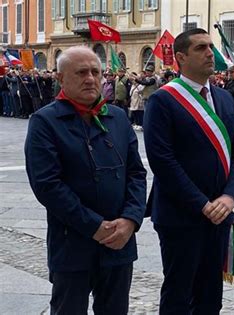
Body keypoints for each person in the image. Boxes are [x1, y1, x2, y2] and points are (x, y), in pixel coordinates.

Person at [24, 46, 147, 314]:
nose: (90, 78)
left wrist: (131, 220)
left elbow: (137, 174)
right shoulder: (45, 122)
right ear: (60, 78)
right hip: (72, 244)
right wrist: (93, 225)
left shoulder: (117, 118)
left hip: (119, 243)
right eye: (81, 72)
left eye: (95, 72)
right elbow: (47, 185)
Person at [143, 28, 234, 314]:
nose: (210, 53)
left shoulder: (224, 98)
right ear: (181, 57)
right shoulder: (163, 100)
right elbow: (163, 161)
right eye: (201, 48)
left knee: (211, 295)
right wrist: (201, 204)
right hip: (181, 215)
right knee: (179, 293)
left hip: (220, 214)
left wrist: (229, 197)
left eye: (211, 47)